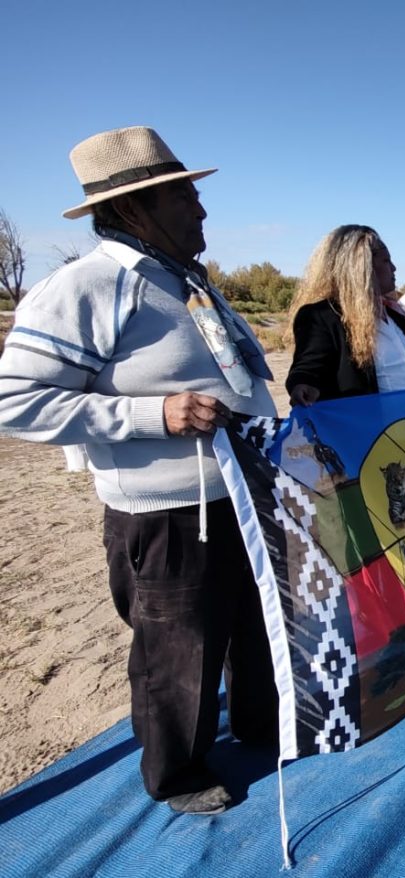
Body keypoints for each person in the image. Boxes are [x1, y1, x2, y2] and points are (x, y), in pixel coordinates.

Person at [0, 127, 278, 815]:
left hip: (241, 496)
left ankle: (259, 724)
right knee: (177, 649)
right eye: (186, 197)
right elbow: (15, 401)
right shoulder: (89, 287)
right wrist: (156, 416)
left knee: (252, 623)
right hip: (169, 515)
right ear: (134, 208)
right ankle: (176, 772)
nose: (203, 211)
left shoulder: (184, 281)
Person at [285, 226, 405, 405]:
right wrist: (302, 384)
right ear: (361, 266)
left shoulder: (396, 318)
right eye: (386, 261)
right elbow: (309, 366)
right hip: (370, 435)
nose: (394, 268)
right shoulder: (323, 316)